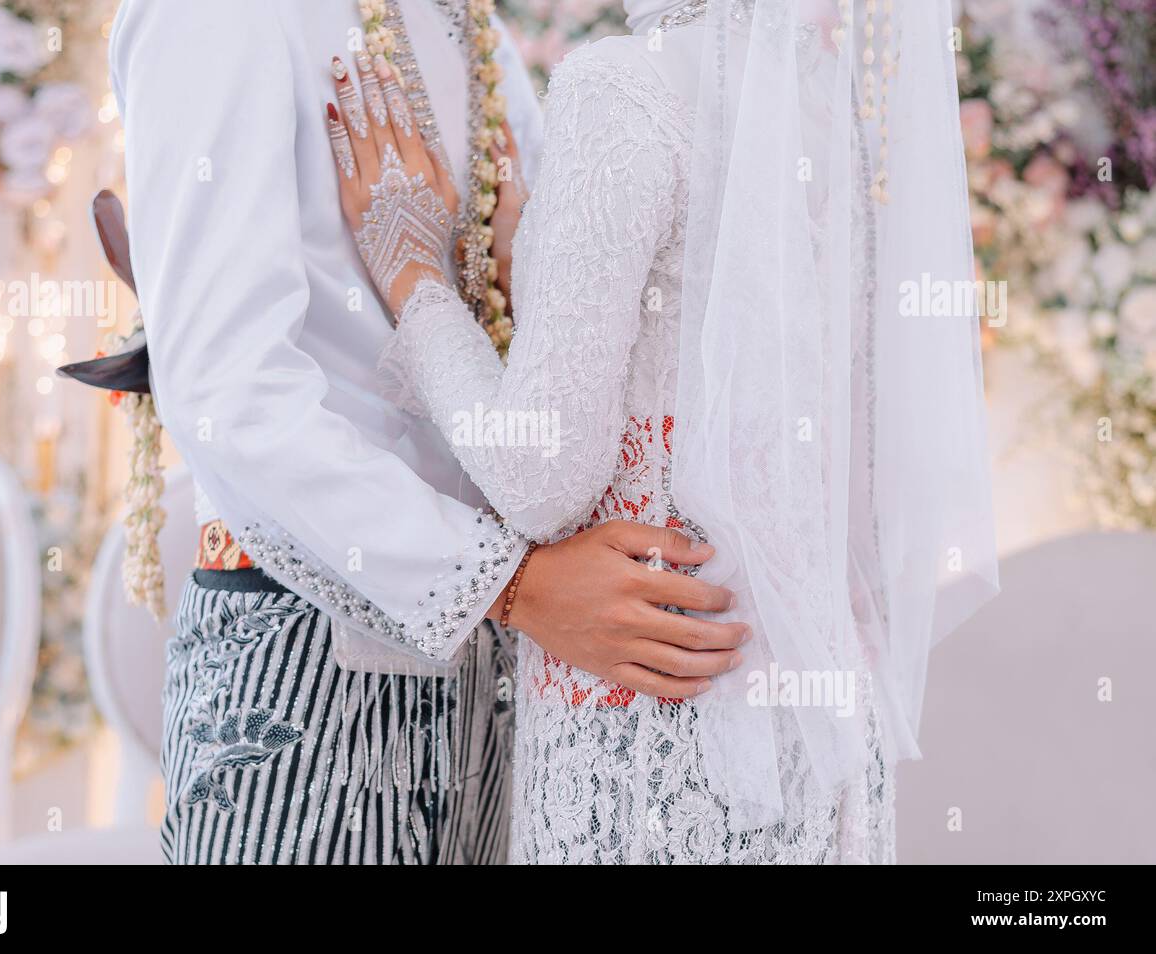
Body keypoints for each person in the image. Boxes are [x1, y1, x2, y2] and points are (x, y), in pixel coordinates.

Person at [327, 0, 1000, 863]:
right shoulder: (825, 103)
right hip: (816, 740)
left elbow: (537, 476)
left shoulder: (623, 85)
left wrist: (415, 281)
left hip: (651, 731)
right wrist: (533, 252)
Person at [110, 0, 740, 864]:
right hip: (310, 662)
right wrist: (510, 587)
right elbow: (228, 389)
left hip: (514, 666)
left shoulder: (470, 24)